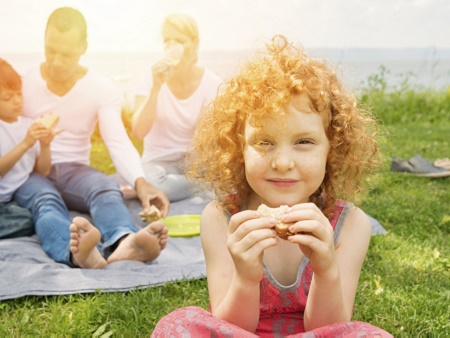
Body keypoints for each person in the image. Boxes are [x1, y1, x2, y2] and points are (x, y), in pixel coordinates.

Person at [152, 35, 392, 336]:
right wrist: (246, 278)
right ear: (239, 147)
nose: (282, 162)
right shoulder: (222, 218)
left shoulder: (350, 225)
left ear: (332, 148)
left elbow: (331, 329)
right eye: (264, 142)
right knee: (179, 325)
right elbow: (226, 328)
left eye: (304, 142)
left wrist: (326, 269)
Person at [17, 7, 169, 269]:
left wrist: (141, 182)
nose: (56, 61)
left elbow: (117, 141)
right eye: (50, 50)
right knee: (45, 202)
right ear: (43, 39)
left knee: (106, 188)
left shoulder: (100, 87)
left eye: (66, 54)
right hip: (30, 172)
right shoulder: (22, 82)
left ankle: (125, 242)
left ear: (84, 47)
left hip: (74, 170)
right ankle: (78, 253)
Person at [132, 13, 222, 201]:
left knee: (223, 171)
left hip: (193, 161)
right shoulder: (150, 78)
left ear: (195, 43)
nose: (172, 46)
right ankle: (204, 185)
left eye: (179, 40)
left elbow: (206, 140)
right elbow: (138, 132)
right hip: (158, 163)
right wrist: (156, 87)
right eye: (167, 41)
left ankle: (197, 183)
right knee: (157, 185)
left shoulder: (211, 83)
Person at [0, 58, 57, 239]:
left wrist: (45, 145)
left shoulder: (28, 125)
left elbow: (43, 171)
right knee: (26, 220)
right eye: (7, 98)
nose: (17, 101)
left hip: (13, 199)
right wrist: (25, 144)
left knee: (31, 218)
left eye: (19, 94)